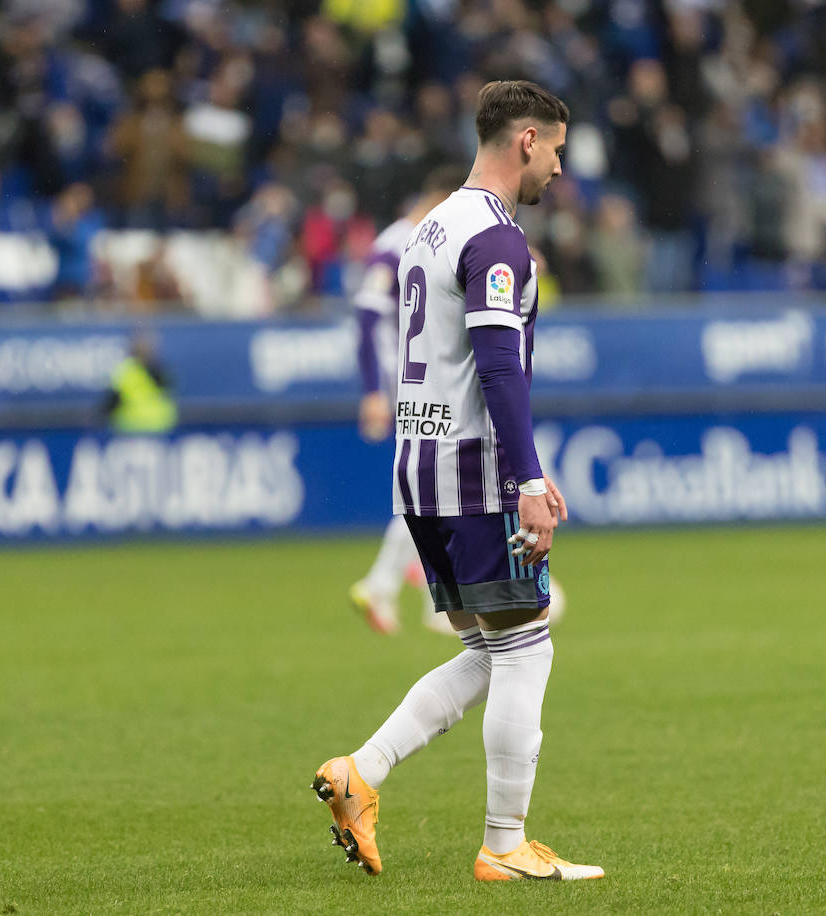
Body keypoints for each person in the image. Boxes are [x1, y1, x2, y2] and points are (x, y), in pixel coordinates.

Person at [312, 80, 603, 882]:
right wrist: (529, 480)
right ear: (528, 143)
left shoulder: (428, 227)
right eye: (557, 152)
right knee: (527, 648)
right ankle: (505, 844)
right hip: (474, 475)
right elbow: (499, 363)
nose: (557, 171)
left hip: (417, 475)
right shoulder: (498, 241)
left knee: (488, 648)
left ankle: (359, 773)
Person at [348, 163, 469, 636]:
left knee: (430, 488)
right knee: (431, 488)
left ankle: (397, 579)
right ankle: (392, 582)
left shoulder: (422, 240)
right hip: (409, 385)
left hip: (422, 383)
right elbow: (365, 317)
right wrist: (373, 392)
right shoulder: (396, 244)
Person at [99, 331, 176, 434]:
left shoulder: (126, 370)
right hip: (155, 425)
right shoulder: (158, 369)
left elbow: (112, 401)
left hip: (135, 427)